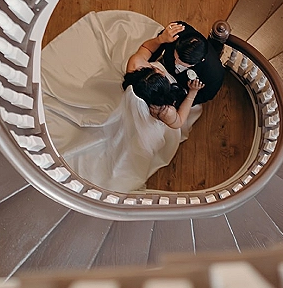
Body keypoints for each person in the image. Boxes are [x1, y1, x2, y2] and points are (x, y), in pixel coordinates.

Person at [41, 11, 204, 193]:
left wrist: (160, 40)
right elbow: (179, 122)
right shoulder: (165, 112)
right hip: (146, 130)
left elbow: (146, 48)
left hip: (127, 114)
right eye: (161, 75)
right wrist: (192, 93)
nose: (160, 71)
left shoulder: (134, 65)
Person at [152, 21, 225, 105]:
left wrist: (179, 101)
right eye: (176, 57)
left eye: (182, 63)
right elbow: (158, 45)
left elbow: (205, 96)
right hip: (162, 68)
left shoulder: (215, 74)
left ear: (201, 60)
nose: (176, 63)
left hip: (182, 90)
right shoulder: (175, 32)